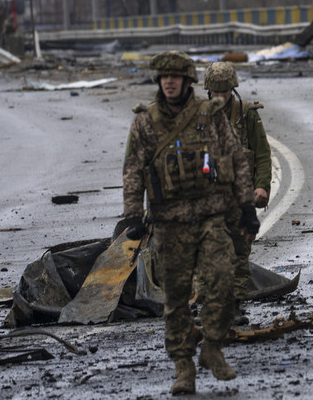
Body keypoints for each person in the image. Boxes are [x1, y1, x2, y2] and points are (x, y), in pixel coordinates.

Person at [122, 51, 258, 395]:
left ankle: (212, 344)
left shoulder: (209, 115)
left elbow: (237, 160)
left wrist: (246, 207)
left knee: (224, 282)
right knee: (176, 298)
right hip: (169, 224)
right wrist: (132, 216)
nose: (169, 82)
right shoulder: (145, 122)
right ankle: (183, 365)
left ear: (188, 80)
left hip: (211, 216)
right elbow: (133, 171)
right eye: (164, 77)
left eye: (176, 77)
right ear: (158, 81)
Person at [203, 61, 272, 310]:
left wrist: (262, 186)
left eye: (225, 91)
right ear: (208, 90)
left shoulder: (247, 114)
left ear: (233, 89)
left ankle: (237, 308)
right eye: (216, 91)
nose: (220, 96)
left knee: (240, 256)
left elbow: (262, 154)